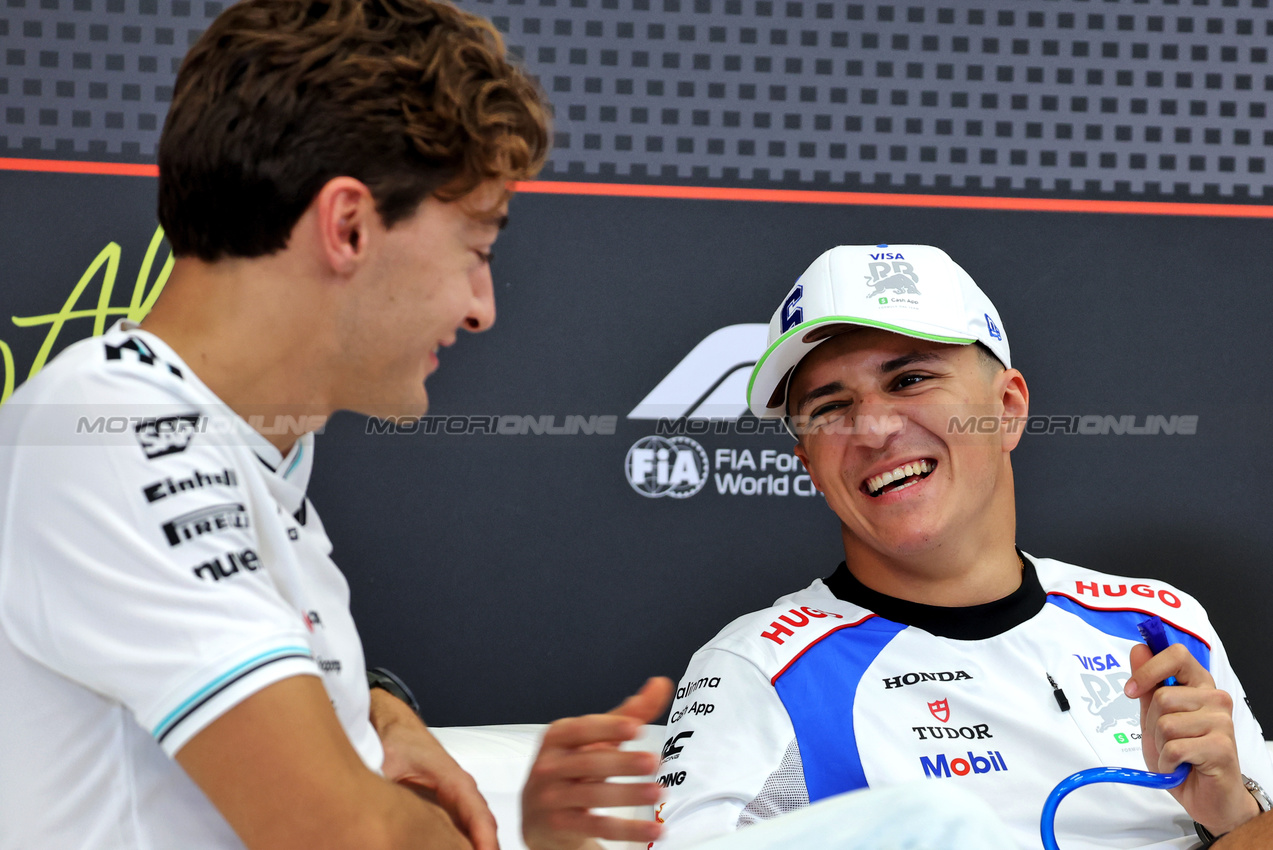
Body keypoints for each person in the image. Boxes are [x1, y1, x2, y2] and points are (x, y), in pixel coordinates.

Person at [0, 1, 669, 848]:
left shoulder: (252, 455)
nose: (481, 309)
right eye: (477, 246)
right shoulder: (114, 425)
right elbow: (344, 835)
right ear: (348, 225)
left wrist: (375, 707)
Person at [650, 244, 1273, 850]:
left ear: (1007, 408)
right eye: (832, 407)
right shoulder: (760, 669)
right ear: (809, 464)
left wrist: (1232, 813)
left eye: (911, 379)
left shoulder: (1161, 622)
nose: (872, 427)